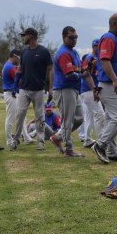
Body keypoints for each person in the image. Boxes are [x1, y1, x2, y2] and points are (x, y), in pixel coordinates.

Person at [91, 13, 117, 163]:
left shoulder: (115, 40)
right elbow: (105, 61)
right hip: (108, 84)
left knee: (111, 118)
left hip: (112, 85)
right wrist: (115, 80)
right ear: (114, 24)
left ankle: (112, 152)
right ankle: (100, 145)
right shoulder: (108, 38)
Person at [11, 27, 53, 151]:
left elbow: (51, 69)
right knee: (20, 114)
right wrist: (15, 83)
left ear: (31, 36)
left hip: (38, 89)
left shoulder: (44, 51)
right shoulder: (24, 52)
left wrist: (50, 87)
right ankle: (16, 140)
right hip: (24, 88)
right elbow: (20, 69)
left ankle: (41, 141)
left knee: (40, 116)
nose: (23, 37)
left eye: (25, 35)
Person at [48, 26, 86, 157]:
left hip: (73, 89)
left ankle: (57, 137)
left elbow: (80, 68)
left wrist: (88, 66)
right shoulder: (64, 53)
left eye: (75, 37)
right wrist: (83, 75)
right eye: (71, 37)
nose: (74, 40)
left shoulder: (73, 52)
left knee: (80, 118)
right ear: (64, 37)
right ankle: (69, 149)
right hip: (64, 89)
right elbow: (69, 74)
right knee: (67, 120)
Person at [79, 39, 104, 148]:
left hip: (87, 90)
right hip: (88, 90)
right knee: (99, 114)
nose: (97, 48)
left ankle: (87, 139)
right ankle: (100, 142)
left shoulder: (97, 59)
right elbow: (87, 74)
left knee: (90, 116)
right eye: (96, 46)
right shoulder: (90, 58)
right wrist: (94, 90)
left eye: (99, 46)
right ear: (93, 47)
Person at [1, 49, 21, 147]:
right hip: (11, 93)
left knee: (19, 117)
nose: (19, 60)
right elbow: (18, 79)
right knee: (10, 117)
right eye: (18, 58)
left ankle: (23, 136)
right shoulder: (10, 67)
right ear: (14, 56)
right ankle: (9, 140)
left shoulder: (8, 65)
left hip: (11, 93)